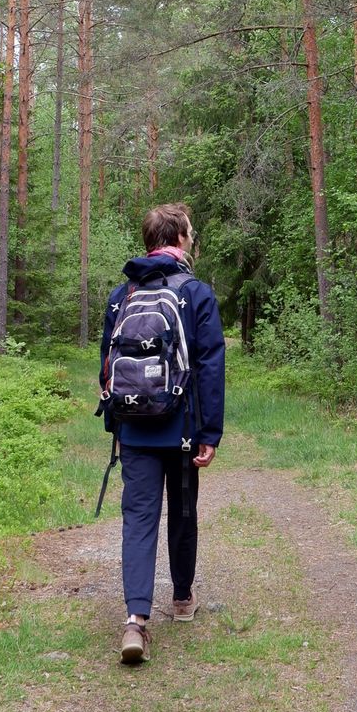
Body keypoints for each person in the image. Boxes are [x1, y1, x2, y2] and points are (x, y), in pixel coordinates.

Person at [98, 204, 225, 665]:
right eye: (191, 232)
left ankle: (136, 620)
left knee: (139, 517)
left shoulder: (122, 294)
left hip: (134, 428)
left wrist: (118, 422)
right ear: (181, 237)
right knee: (183, 509)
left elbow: (107, 365)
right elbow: (210, 366)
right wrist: (211, 430)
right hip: (184, 427)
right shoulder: (196, 293)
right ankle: (183, 598)